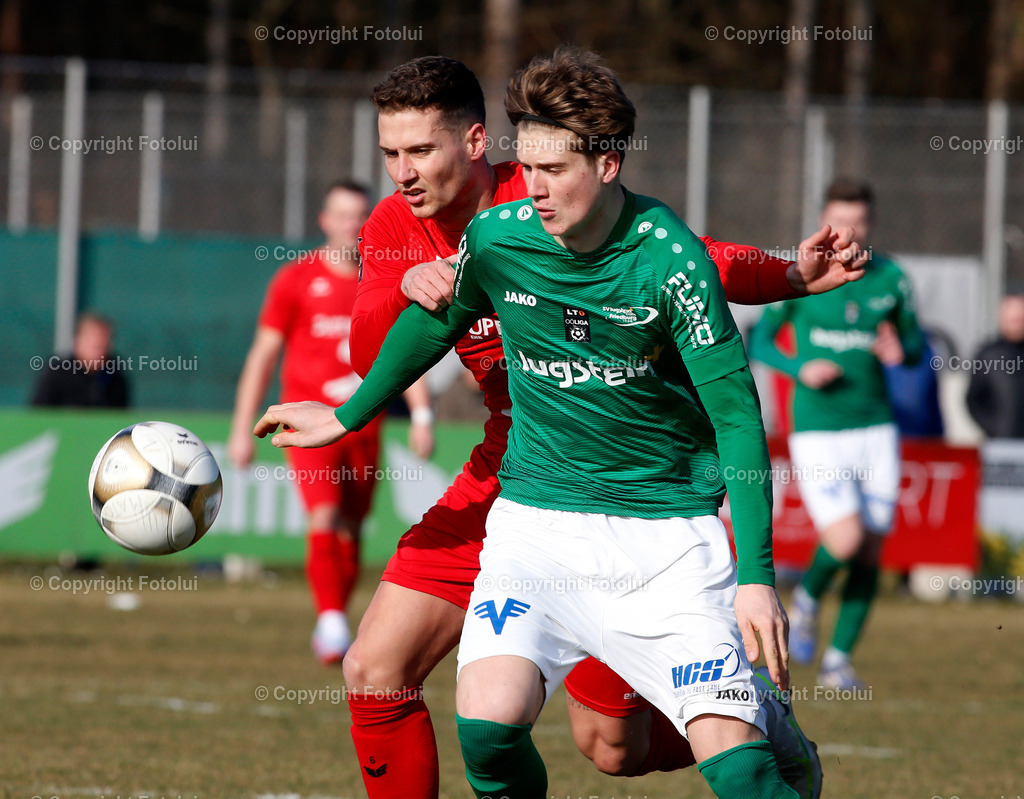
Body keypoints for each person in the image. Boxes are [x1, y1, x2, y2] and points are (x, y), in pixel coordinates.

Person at [255, 48, 869, 799]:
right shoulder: (398, 224)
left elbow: (688, 261)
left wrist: (787, 274)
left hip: (641, 494)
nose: (402, 172)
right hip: (515, 478)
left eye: (419, 150)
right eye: (389, 153)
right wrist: (408, 296)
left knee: (611, 745)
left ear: (476, 143)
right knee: (377, 669)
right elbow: (369, 344)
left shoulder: (544, 189)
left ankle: (753, 721)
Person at [227, 180, 434, 664]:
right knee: (325, 515)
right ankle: (331, 621)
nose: (351, 226)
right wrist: (241, 428)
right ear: (324, 221)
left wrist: (422, 414)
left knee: (354, 527)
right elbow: (263, 357)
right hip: (309, 427)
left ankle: (335, 618)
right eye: (341, 215)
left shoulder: (381, 281)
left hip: (361, 423)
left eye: (360, 216)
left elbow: (405, 351)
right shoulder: (295, 280)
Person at [750, 177, 924, 689]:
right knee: (845, 538)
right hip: (819, 428)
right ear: (826, 218)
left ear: (871, 223)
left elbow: (913, 344)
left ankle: (837, 661)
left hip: (876, 426)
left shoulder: (891, 276)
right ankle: (805, 599)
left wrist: (902, 352)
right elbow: (760, 340)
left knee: (871, 547)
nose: (851, 229)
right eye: (842, 219)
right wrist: (800, 365)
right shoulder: (807, 271)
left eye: (860, 220)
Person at [32, 312, 129, 407]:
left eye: (103, 341)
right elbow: (38, 411)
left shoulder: (115, 376)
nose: (99, 344)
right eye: (92, 340)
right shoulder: (58, 373)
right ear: (78, 341)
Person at [966, 294, 1024, 438]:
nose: (1017, 324)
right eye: (1013, 320)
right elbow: (973, 400)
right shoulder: (988, 355)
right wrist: (994, 428)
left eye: (1020, 319)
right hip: (999, 442)